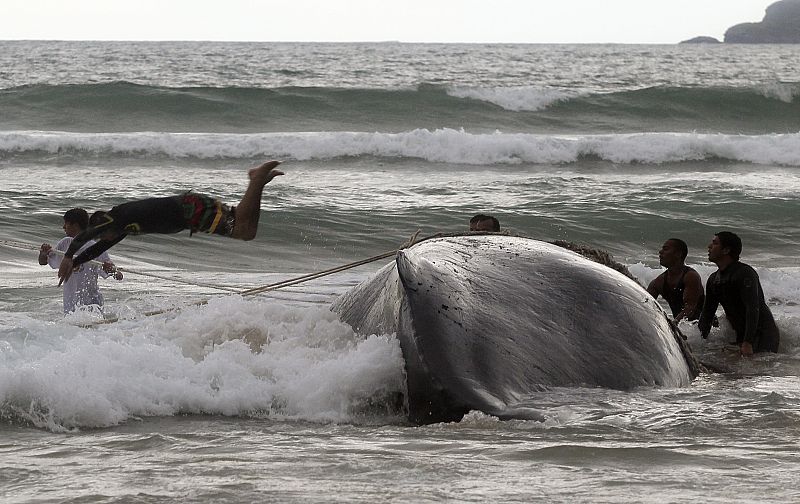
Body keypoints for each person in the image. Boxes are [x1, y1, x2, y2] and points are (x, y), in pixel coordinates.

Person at [57, 160, 284, 285]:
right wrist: (77, 261)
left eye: (101, 234)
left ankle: (255, 179)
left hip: (190, 211)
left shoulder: (116, 218)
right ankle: (259, 182)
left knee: (242, 230)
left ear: (101, 225)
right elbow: (98, 247)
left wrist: (68, 257)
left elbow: (88, 236)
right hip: (191, 209)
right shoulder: (121, 227)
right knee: (246, 229)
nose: (104, 239)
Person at [697, 231, 780, 356]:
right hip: (742, 336)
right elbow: (707, 314)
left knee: (753, 373)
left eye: (714, 243)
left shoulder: (745, 273)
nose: (709, 246)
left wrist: (747, 342)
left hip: (763, 335)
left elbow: (752, 308)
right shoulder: (714, 280)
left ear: (726, 250)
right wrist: (699, 343)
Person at [39, 208, 123, 313]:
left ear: (75, 225)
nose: (64, 227)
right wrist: (43, 252)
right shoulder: (65, 243)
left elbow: (119, 276)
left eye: (66, 224)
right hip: (70, 306)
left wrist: (111, 270)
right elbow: (43, 262)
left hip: (92, 305)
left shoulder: (94, 247)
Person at [646, 238, 704, 321]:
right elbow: (645, 305)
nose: (660, 252)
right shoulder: (659, 282)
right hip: (682, 328)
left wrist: (674, 325)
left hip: (707, 330)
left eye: (665, 249)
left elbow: (690, 308)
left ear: (678, 254)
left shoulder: (691, 277)